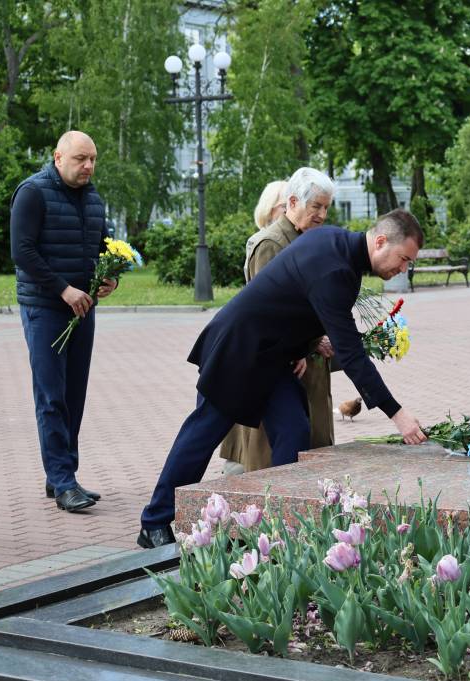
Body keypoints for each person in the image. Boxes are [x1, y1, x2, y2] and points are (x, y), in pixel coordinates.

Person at [137, 209, 429, 547]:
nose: (403, 268)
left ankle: (279, 527)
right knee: (202, 434)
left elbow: (294, 300)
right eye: (404, 258)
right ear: (380, 241)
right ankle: (154, 523)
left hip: (273, 358)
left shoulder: (334, 242)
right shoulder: (337, 269)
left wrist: (303, 345)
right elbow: (350, 353)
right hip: (240, 351)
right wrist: (397, 413)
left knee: (293, 430)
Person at [10, 131, 116, 513]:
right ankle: (63, 480)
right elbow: (21, 250)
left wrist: (109, 278)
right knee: (52, 396)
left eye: (93, 159)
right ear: (58, 157)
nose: (88, 166)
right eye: (80, 159)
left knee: (74, 395)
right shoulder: (33, 192)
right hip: (46, 308)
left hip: (82, 309)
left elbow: (104, 246)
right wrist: (63, 290)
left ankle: (61, 474)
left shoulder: (93, 198)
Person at [220, 169, 336, 475]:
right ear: (293, 203)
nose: (322, 215)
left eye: (326, 208)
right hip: (280, 364)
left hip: (304, 361)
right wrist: (308, 342)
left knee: (306, 445)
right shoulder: (271, 244)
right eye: (317, 207)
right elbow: (269, 312)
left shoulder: (306, 239)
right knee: (283, 446)